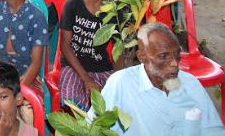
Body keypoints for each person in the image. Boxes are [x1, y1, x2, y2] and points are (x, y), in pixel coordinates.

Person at [93, 22, 225, 135]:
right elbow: (92, 127)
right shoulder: (121, 84)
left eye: (177, 54)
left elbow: (213, 131)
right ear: (142, 57)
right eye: (163, 56)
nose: (174, 62)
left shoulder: (191, 84)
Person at [59, 0, 119, 110]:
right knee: (72, 104)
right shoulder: (72, 5)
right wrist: (86, 79)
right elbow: (65, 47)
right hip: (73, 65)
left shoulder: (115, 10)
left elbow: (120, 49)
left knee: (113, 104)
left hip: (102, 67)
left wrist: (119, 79)